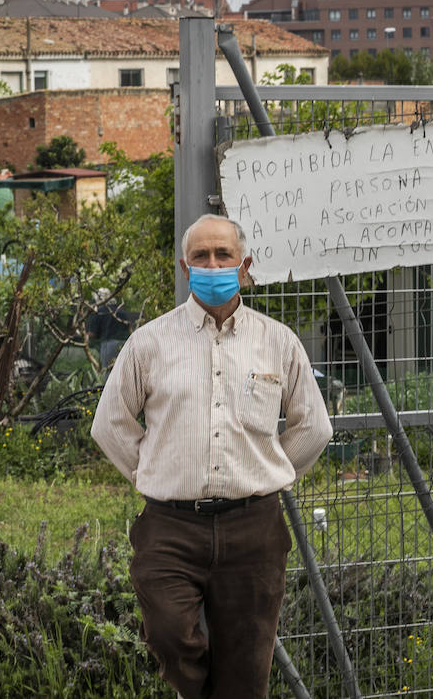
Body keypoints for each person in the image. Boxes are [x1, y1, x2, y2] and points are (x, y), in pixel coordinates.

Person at [91, 214, 332, 698]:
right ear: (185, 267)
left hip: (254, 527)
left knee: (246, 668)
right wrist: (151, 470)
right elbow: (109, 424)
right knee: (168, 634)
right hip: (170, 527)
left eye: (223, 255)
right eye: (201, 255)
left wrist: (271, 473)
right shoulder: (150, 343)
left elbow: (314, 427)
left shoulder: (277, 341)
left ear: (245, 265)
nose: (213, 263)